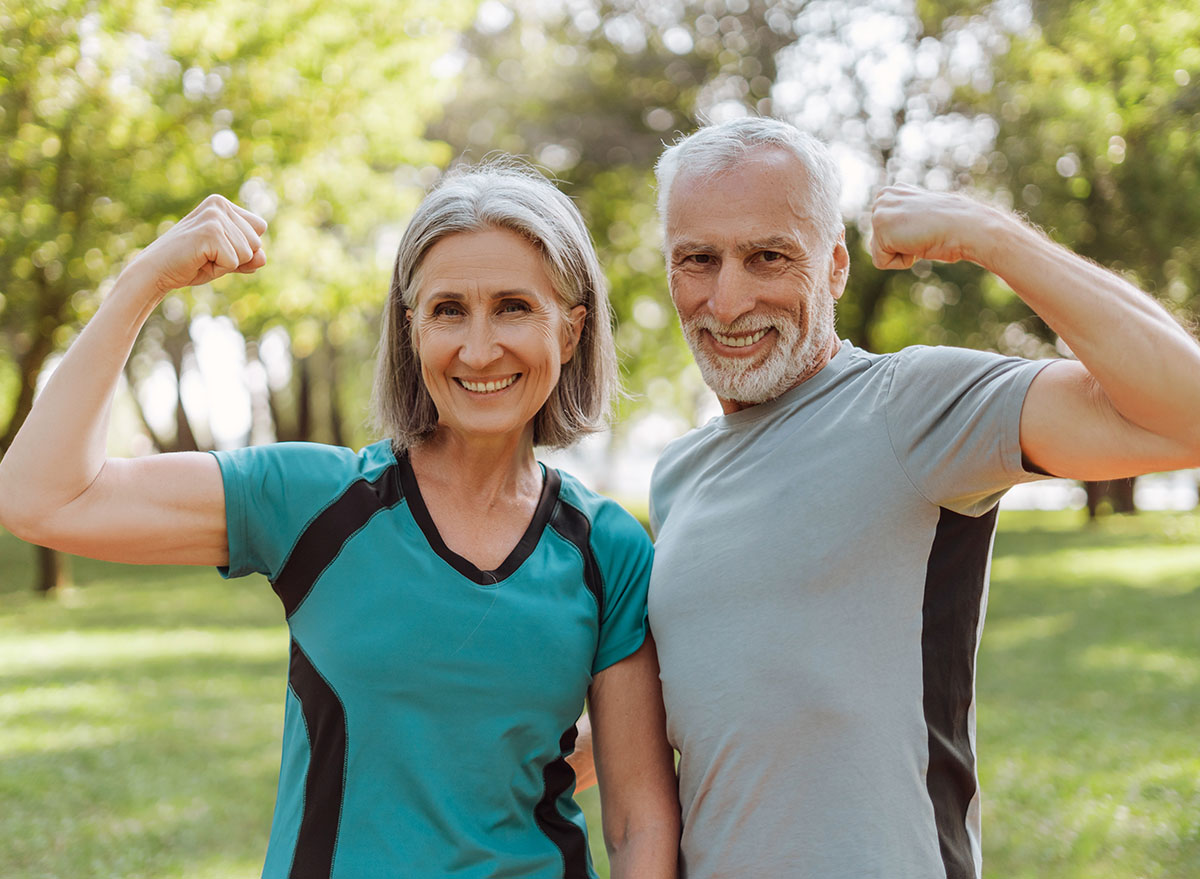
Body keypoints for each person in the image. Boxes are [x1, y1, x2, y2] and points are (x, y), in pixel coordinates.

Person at [0, 161, 680, 878]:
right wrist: (144, 281)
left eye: (514, 305)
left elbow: (637, 819)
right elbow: (40, 498)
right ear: (411, 330)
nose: (479, 348)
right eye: (448, 309)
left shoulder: (609, 549)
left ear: (570, 333)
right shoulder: (313, 502)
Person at [644, 117, 1200, 878]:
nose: (728, 298)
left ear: (835, 267)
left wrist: (991, 235)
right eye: (697, 260)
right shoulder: (675, 477)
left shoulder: (909, 406)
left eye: (768, 256)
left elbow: (1189, 409)